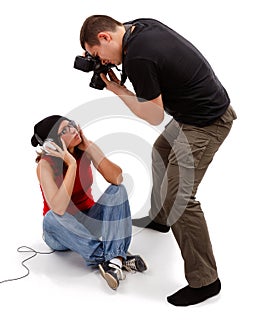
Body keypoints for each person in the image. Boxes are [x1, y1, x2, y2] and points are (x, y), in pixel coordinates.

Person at [78, 15, 237, 305]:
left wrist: (120, 91)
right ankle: (162, 219)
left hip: (208, 122)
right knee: (160, 152)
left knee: (180, 197)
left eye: (97, 55)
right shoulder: (138, 26)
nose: (104, 63)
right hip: (192, 113)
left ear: (105, 38)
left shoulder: (139, 57)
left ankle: (206, 281)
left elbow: (154, 115)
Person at [31, 114, 147, 290]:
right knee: (51, 217)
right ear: (53, 143)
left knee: (118, 190)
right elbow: (59, 208)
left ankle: (113, 261)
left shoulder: (85, 150)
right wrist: (71, 165)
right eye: (65, 130)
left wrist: (91, 148)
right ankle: (116, 257)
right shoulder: (45, 165)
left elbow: (117, 178)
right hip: (60, 231)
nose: (73, 129)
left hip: (87, 222)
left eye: (71, 124)